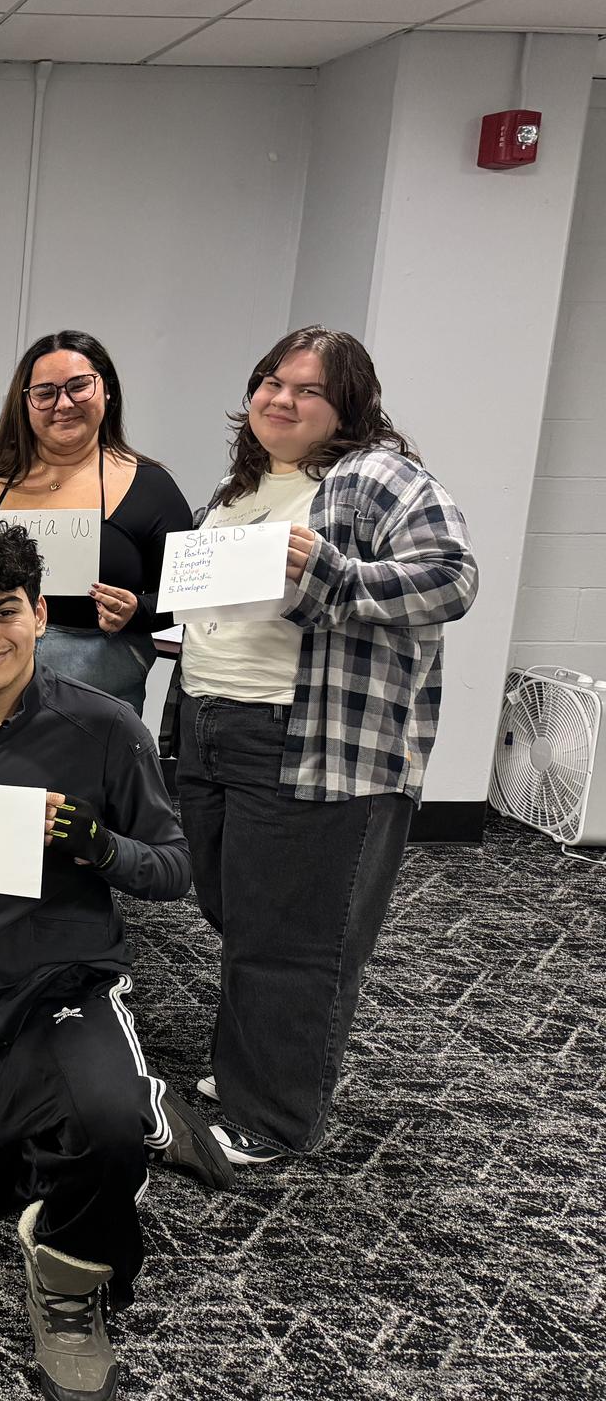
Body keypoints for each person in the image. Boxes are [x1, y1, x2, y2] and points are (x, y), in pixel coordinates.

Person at [0, 518, 228, 1401]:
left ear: (37, 613)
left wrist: (98, 844)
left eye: (3, 611)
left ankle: (75, 1291)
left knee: (100, 1138)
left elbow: (173, 868)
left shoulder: (103, 728)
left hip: (61, 985)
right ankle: (119, 1104)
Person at [175, 327, 477, 1166]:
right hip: (211, 725)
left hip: (310, 738)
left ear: (346, 405)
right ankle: (252, 1069)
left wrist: (337, 571)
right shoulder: (238, 489)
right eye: (271, 381)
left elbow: (453, 576)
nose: (282, 399)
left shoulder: (376, 477)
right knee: (240, 912)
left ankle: (268, 1117)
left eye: (307, 390)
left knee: (296, 934)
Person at [0, 331, 194, 713]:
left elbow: (188, 593)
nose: (63, 404)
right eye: (45, 393)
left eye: (79, 386)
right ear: (25, 402)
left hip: (98, 698)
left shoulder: (151, 487)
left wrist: (138, 610)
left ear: (107, 390)